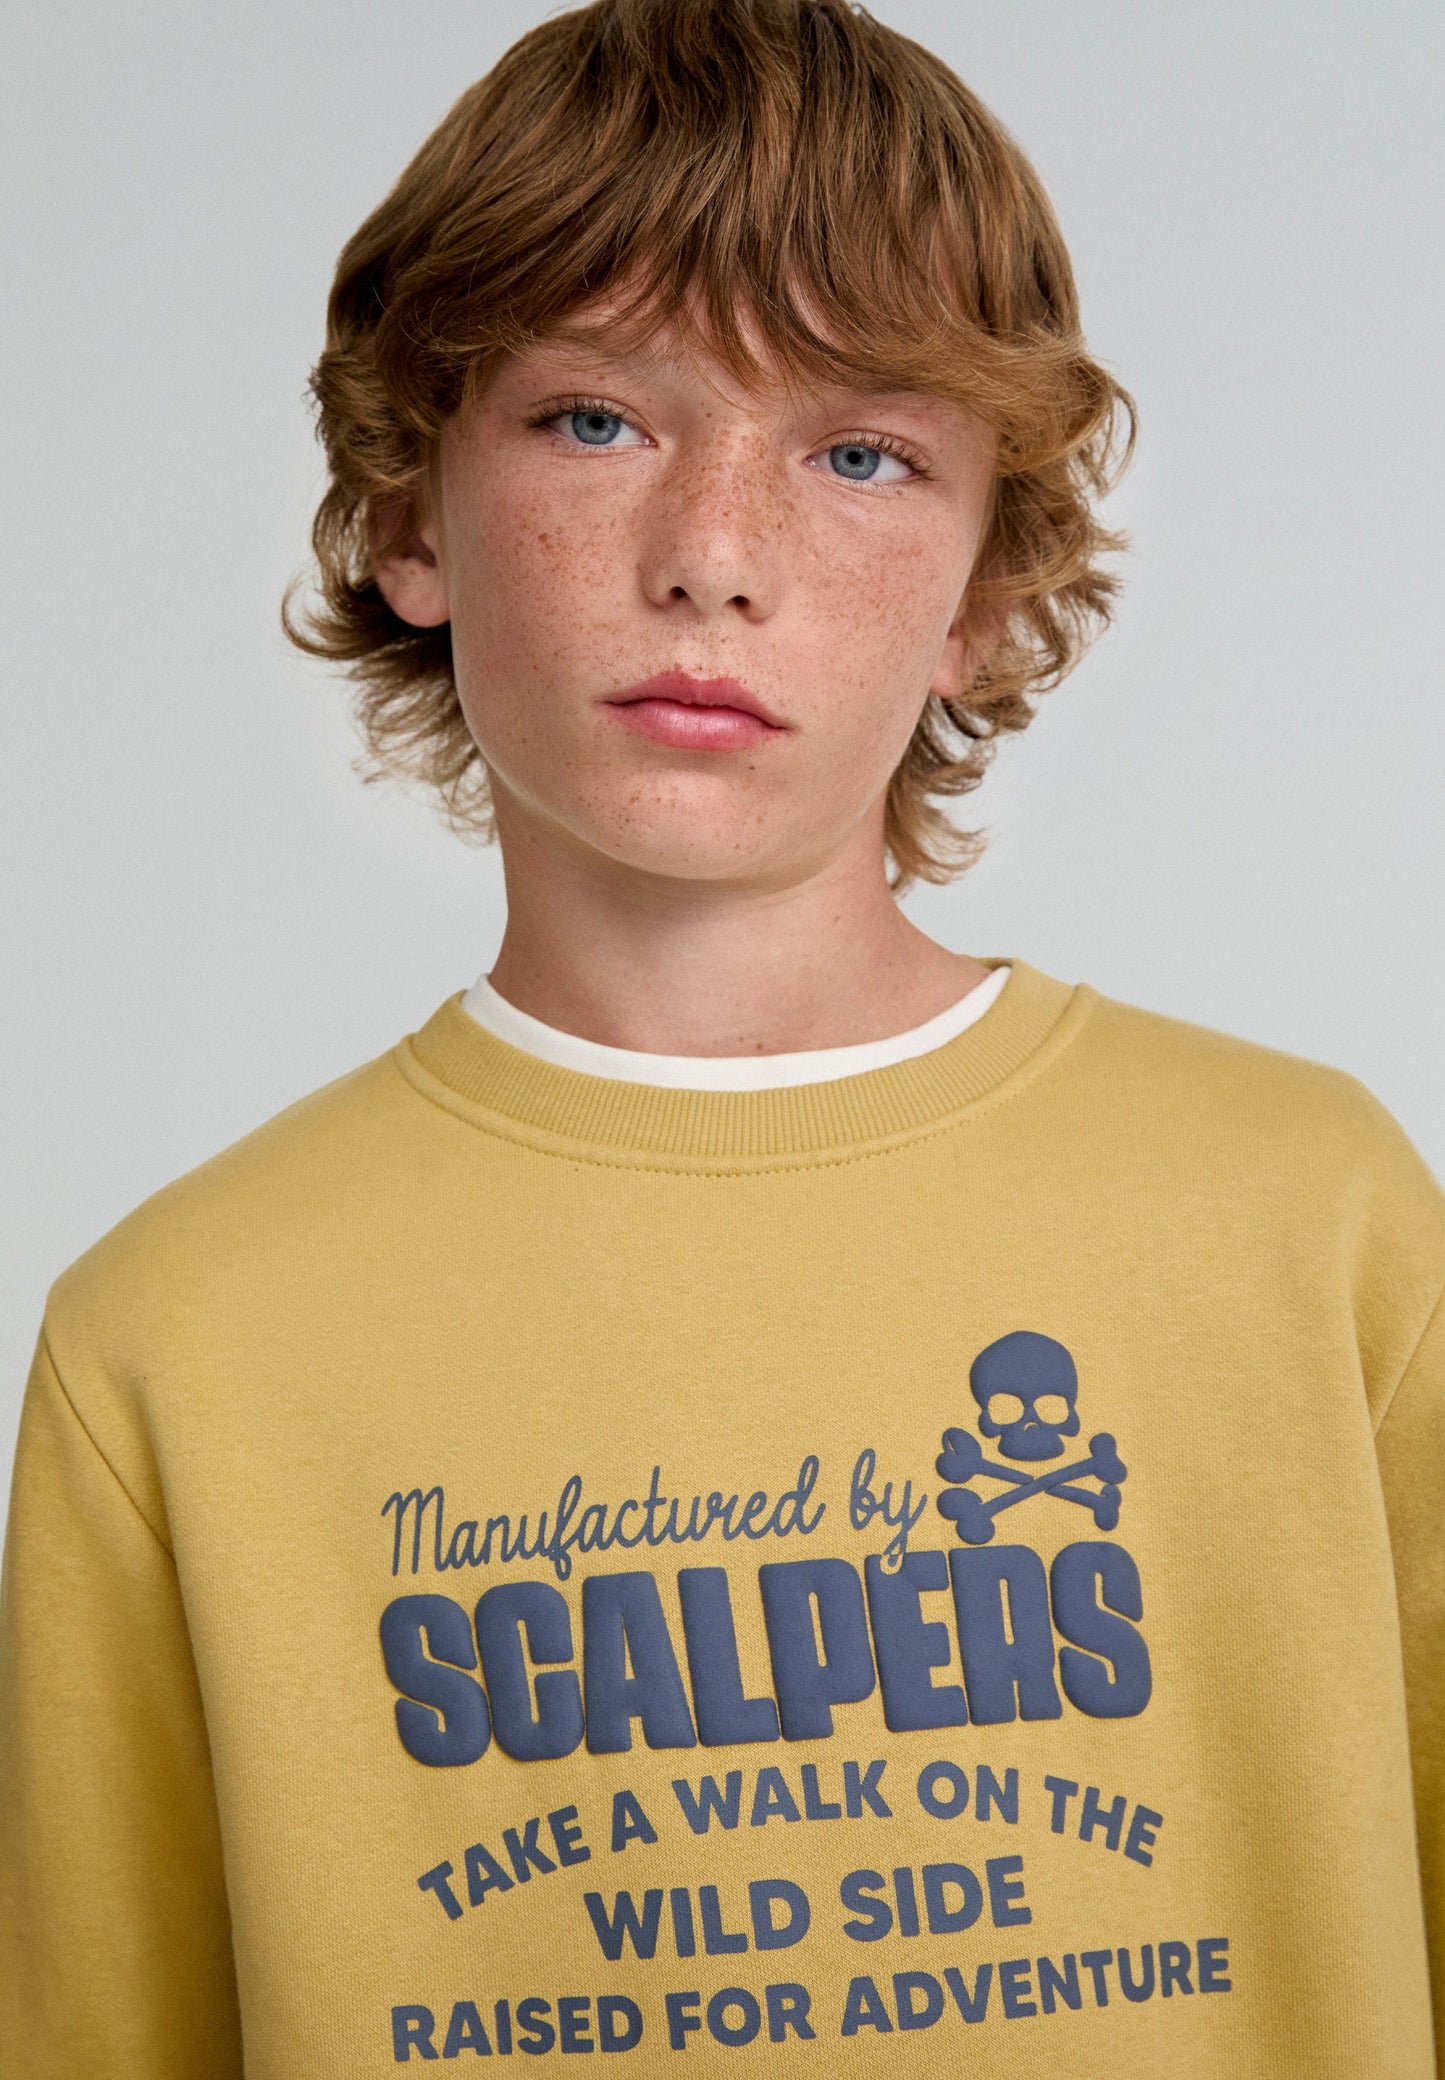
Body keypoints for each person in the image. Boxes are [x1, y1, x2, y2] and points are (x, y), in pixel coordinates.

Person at [2, 1, 1441, 2073]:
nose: (712, 559)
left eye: (860, 454)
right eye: (597, 418)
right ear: (410, 512)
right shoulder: (175, 1344)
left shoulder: (1318, 1228)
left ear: (983, 590)